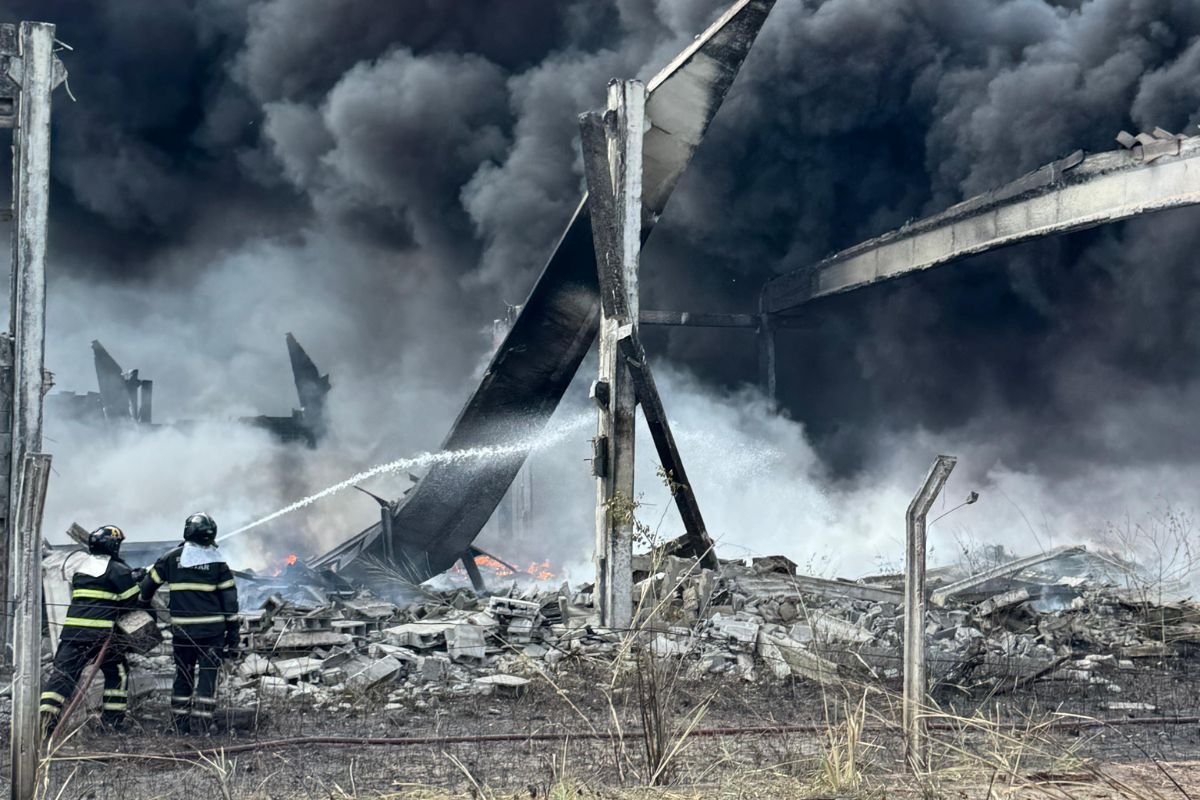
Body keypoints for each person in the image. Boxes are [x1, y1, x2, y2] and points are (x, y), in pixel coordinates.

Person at [140, 513, 240, 735]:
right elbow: (230, 604)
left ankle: (179, 726)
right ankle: (203, 728)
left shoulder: (170, 558)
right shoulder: (218, 562)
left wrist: (149, 610)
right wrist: (233, 638)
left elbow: (145, 590)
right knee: (207, 678)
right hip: (212, 634)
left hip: (183, 633)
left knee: (182, 676)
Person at [40, 525, 142, 735]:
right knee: (118, 672)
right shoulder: (118, 570)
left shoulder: (82, 568)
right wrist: (135, 579)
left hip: (72, 635)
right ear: (113, 546)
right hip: (102, 637)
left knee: (62, 676)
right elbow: (131, 602)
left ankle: (45, 724)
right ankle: (112, 723)